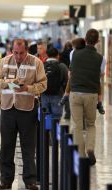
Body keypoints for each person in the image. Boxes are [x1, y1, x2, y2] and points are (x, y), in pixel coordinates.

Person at [0, 39, 47, 190]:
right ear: (12, 50)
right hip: (8, 109)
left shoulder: (36, 63)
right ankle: (6, 181)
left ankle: (30, 181)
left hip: (27, 110)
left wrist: (28, 88)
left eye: (21, 53)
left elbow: (43, 85)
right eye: (15, 52)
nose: (18, 56)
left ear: (27, 50)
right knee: (7, 147)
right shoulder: (4, 61)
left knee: (28, 147)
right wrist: (11, 83)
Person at [69, 29, 106, 165]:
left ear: (85, 38)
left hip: (76, 94)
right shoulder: (102, 58)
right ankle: (90, 148)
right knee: (90, 124)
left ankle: (81, 154)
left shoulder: (74, 53)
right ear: (97, 41)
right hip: (91, 94)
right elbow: (100, 77)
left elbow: (71, 72)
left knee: (77, 125)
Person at [60, 37, 105, 115]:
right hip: (91, 87)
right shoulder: (97, 56)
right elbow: (101, 73)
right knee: (97, 81)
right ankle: (100, 103)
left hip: (76, 86)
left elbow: (71, 70)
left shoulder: (74, 53)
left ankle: (65, 96)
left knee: (71, 78)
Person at [41, 47, 68, 121]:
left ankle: (45, 132)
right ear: (58, 55)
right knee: (56, 117)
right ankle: (55, 131)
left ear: (47, 55)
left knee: (45, 118)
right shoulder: (62, 66)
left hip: (44, 95)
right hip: (58, 95)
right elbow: (67, 81)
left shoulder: (41, 66)